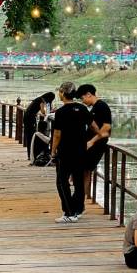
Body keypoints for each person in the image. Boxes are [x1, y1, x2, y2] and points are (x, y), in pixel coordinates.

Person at [51, 81, 92, 223]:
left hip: (65, 152)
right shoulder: (82, 109)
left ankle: (69, 212)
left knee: (62, 182)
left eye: (60, 92)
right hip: (80, 151)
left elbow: (57, 134)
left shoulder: (61, 112)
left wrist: (52, 150)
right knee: (78, 181)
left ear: (62, 93)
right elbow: (92, 125)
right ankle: (78, 209)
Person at [76, 84, 112, 200]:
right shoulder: (95, 108)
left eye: (82, 98)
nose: (82, 101)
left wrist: (92, 141)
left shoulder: (102, 106)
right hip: (90, 143)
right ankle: (82, 195)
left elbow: (106, 127)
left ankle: (83, 197)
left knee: (86, 170)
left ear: (89, 94)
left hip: (96, 144)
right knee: (84, 170)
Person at [23, 91, 56, 160]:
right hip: (29, 118)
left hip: (28, 117)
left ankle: (30, 154)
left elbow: (43, 111)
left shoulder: (39, 99)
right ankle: (30, 155)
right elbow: (43, 112)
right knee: (31, 135)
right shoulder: (41, 100)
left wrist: (49, 111)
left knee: (30, 135)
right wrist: (50, 112)